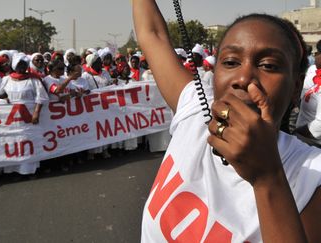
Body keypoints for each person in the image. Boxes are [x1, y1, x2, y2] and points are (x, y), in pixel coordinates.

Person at [133, 1, 320, 242]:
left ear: (296, 86)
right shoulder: (195, 111)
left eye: (268, 66)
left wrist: (267, 178)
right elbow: (153, 34)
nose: (243, 78)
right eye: (231, 62)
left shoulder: (312, 175)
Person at [0, 53, 49, 175]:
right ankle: (14, 171)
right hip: (13, 117)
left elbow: (42, 97)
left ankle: (29, 171)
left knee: (29, 142)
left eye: (24, 64)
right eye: (19, 64)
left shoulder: (33, 79)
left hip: (29, 116)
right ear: (14, 65)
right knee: (15, 142)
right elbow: (3, 93)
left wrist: (36, 113)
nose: (22, 67)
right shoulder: (7, 79)